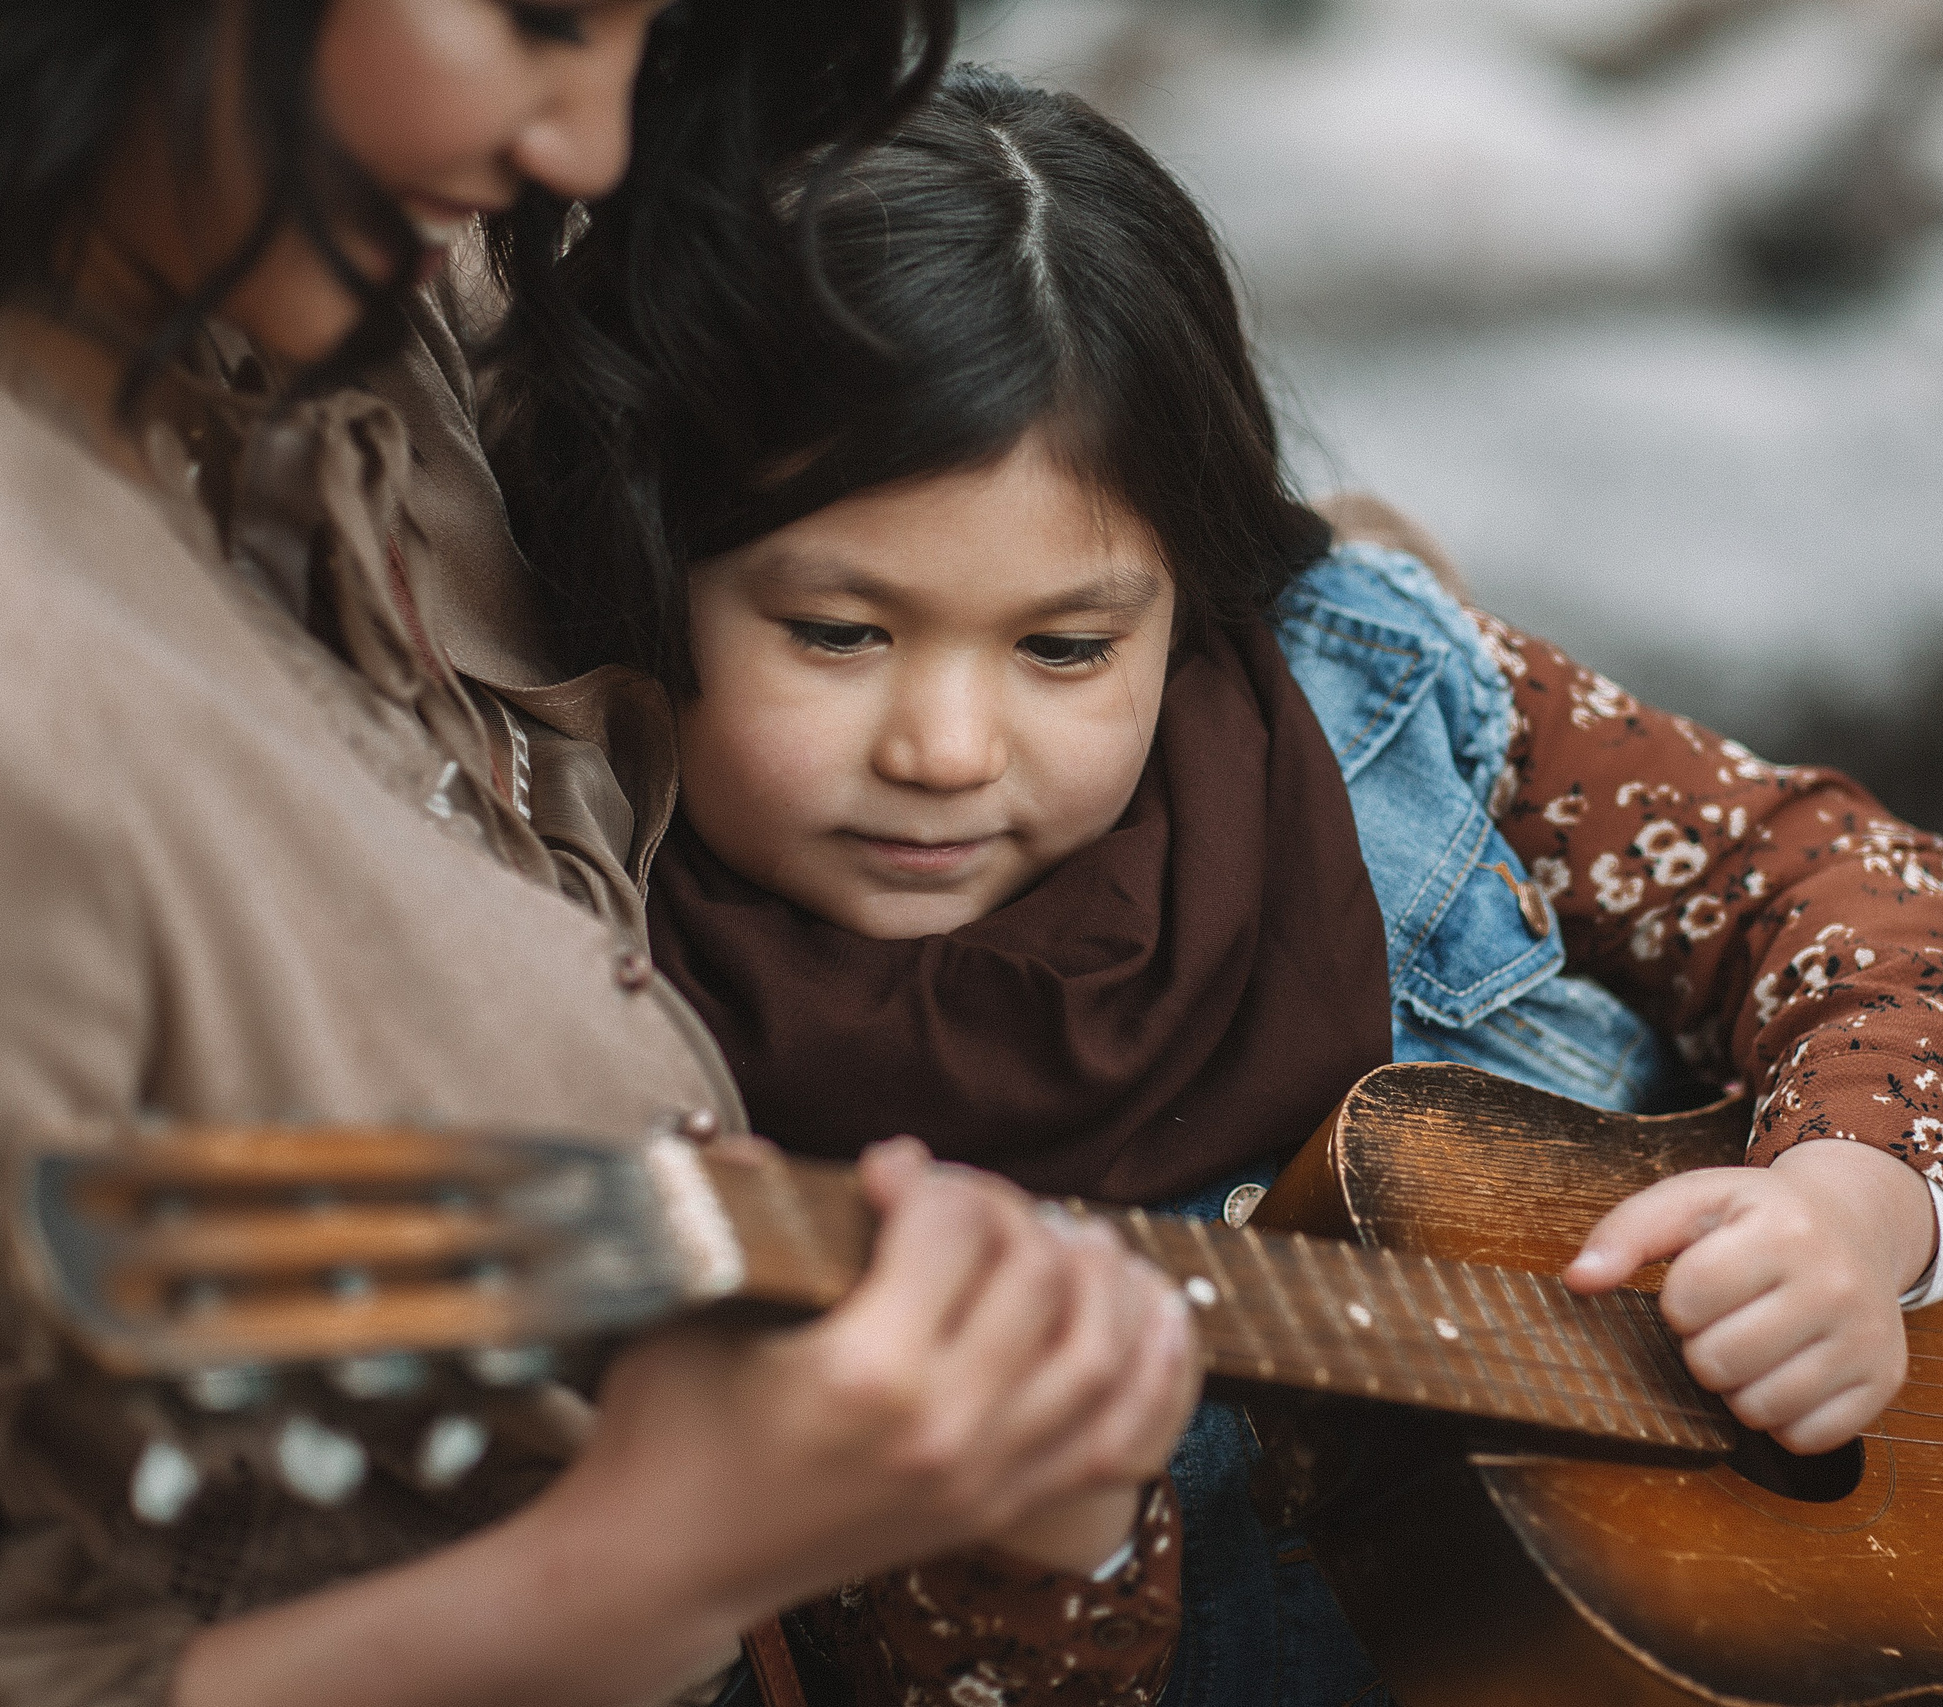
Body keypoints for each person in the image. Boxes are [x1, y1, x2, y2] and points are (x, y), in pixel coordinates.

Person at [483, 66, 1943, 1707]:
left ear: (1194, 588)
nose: (946, 746)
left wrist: (1852, 1207)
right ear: (647, 563)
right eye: (839, 635)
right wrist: (1046, 1536)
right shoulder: (633, 1062)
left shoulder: (1372, 703)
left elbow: (1846, 878)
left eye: (1066, 647)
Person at [0, 9, 1199, 1707]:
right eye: (541, 18)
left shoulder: (372, 274)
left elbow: (1092, 495)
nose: (587, 152)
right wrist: (640, 1569)